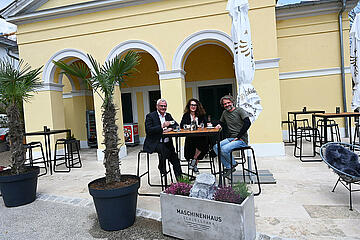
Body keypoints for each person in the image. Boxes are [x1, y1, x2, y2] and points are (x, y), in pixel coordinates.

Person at [143, 98, 183, 180]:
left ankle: (181, 181)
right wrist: (162, 126)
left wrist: (170, 129)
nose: (163, 108)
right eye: (161, 106)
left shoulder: (168, 115)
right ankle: (162, 166)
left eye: (165, 106)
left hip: (167, 143)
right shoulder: (150, 116)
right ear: (157, 106)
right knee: (165, 151)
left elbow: (176, 125)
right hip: (155, 143)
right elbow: (149, 130)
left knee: (175, 158)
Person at [213, 95, 251, 177]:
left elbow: (248, 123)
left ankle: (232, 164)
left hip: (241, 139)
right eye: (225, 104)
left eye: (228, 103)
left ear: (232, 102)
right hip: (231, 138)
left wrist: (238, 136)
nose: (227, 105)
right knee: (216, 147)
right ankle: (230, 166)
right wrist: (218, 125)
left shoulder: (240, 110)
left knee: (223, 149)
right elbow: (221, 123)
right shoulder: (225, 113)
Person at [180, 98, 208, 174]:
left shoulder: (201, 115)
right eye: (192, 105)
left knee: (204, 142)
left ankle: (194, 160)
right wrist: (189, 126)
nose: (193, 106)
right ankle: (194, 164)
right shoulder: (186, 115)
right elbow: (182, 125)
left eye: (195, 105)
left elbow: (205, 124)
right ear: (189, 106)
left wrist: (200, 125)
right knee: (191, 142)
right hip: (190, 136)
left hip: (200, 136)